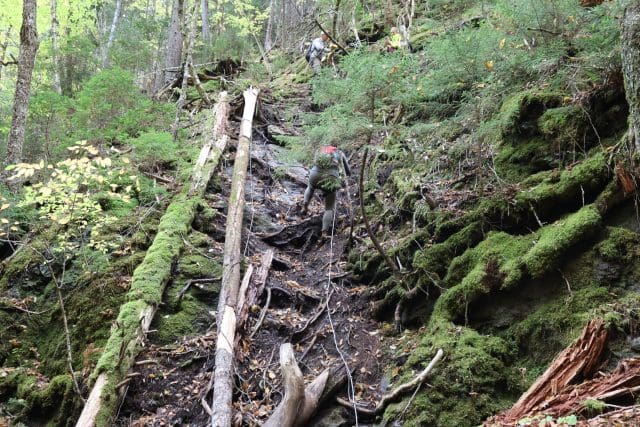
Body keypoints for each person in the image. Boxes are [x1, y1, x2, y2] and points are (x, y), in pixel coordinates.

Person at [301, 145, 351, 240]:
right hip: (331, 178)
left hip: (315, 174)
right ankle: (324, 233)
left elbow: (314, 161)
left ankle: (305, 206)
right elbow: (348, 172)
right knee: (329, 208)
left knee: (310, 187)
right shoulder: (340, 153)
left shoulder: (320, 149)